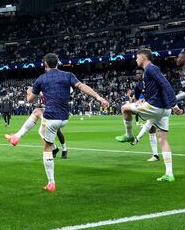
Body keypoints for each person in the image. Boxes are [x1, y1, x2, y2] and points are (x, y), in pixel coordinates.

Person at [8, 53, 109, 192]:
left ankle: (51, 183)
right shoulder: (68, 75)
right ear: (58, 63)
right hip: (64, 118)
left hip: (51, 118)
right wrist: (98, 97)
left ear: (45, 64)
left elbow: (30, 100)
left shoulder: (41, 79)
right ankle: (17, 137)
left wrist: (29, 91)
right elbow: (82, 86)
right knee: (37, 112)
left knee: (47, 148)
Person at [116, 49, 181, 182]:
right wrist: (145, 99)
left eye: (137, 57)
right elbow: (158, 88)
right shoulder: (150, 71)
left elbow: (165, 84)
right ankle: (169, 173)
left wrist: (174, 103)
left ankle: (129, 135)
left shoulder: (151, 69)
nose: (135, 60)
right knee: (163, 139)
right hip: (163, 109)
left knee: (124, 108)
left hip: (155, 107)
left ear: (142, 57)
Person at [133, 68, 159, 162]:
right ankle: (155, 155)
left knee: (151, 125)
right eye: (136, 73)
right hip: (151, 106)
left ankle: (137, 139)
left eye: (139, 73)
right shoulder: (138, 86)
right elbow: (136, 98)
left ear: (144, 74)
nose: (137, 74)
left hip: (158, 106)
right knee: (152, 129)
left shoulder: (150, 82)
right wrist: (140, 101)